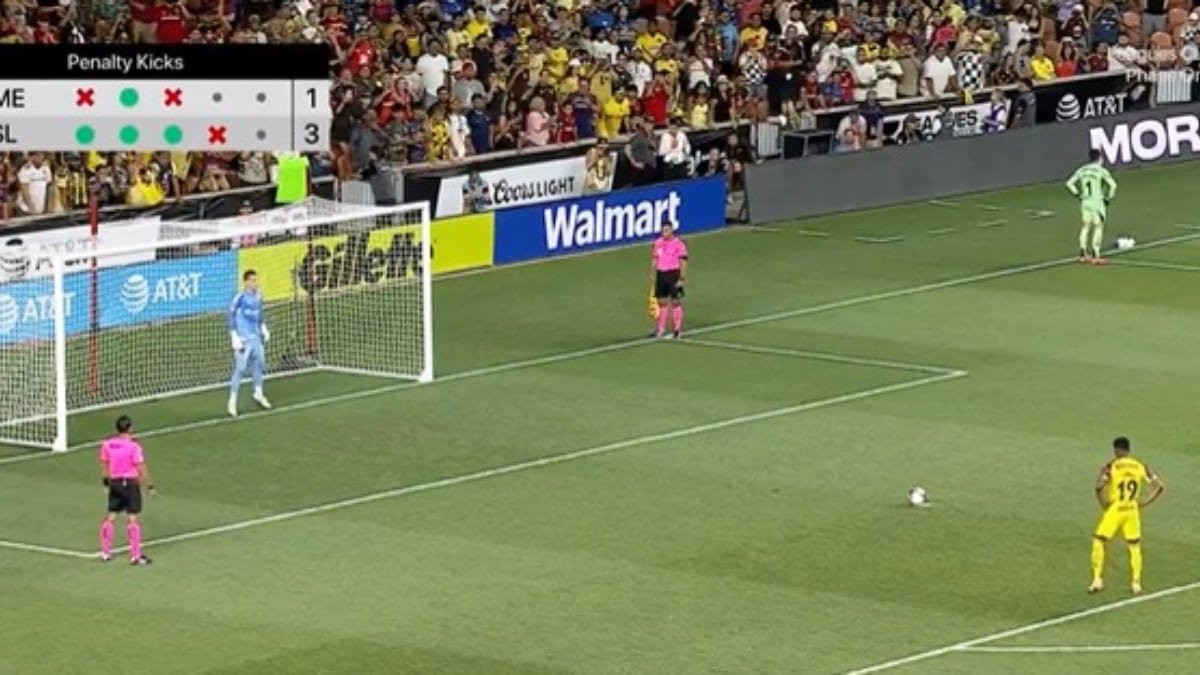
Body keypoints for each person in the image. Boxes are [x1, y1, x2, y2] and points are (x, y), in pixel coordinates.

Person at [1090, 437, 1165, 595]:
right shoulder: (1140, 466)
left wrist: (1104, 504)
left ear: (1117, 449)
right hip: (1132, 510)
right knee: (1134, 546)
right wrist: (1144, 503)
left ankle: (1097, 579)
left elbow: (1098, 487)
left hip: (1116, 509)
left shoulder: (1113, 465)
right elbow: (1160, 487)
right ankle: (1136, 583)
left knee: (1099, 540)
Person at [98, 415, 154, 566]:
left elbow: (103, 463)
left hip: (115, 482)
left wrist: (105, 482)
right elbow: (141, 467)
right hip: (130, 483)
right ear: (130, 428)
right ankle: (135, 556)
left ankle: (105, 552)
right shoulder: (134, 447)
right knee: (132, 517)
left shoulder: (108, 444)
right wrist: (149, 485)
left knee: (111, 515)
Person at [227, 270, 272, 417]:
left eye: (256, 280)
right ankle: (232, 401)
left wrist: (263, 327)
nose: (255, 283)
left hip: (256, 337)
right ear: (245, 282)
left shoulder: (259, 296)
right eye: (252, 280)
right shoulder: (239, 297)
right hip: (243, 339)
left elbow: (259, 313)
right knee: (240, 369)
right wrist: (234, 335)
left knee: (259, 364)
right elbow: (231, 315)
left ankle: (258, 393)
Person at [1065, 149, 1118, 265]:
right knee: (1098, 226)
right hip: (1097, 202)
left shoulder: (1082, 170)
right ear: (1099, 158)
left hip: (1085, 202)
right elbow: (1113, 186)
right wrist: (1108, 199)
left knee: (1085, 226)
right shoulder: (1101, 171)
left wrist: (1078, 194)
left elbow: (1069, 183)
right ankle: (1096, 255)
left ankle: (1083, 254)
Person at [649, 222, 688, 339]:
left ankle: (677, 329)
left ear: (672, 230)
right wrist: (652, 271)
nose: (665, 232)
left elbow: (683, 262)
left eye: (667, 230)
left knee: (676, 301)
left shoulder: (678, 244)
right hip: (661, 274)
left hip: (673, 273)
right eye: (663, 230)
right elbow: (655, 258)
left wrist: (682, 278)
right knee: (661, 302)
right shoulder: (658, 243)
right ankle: (661, 329)